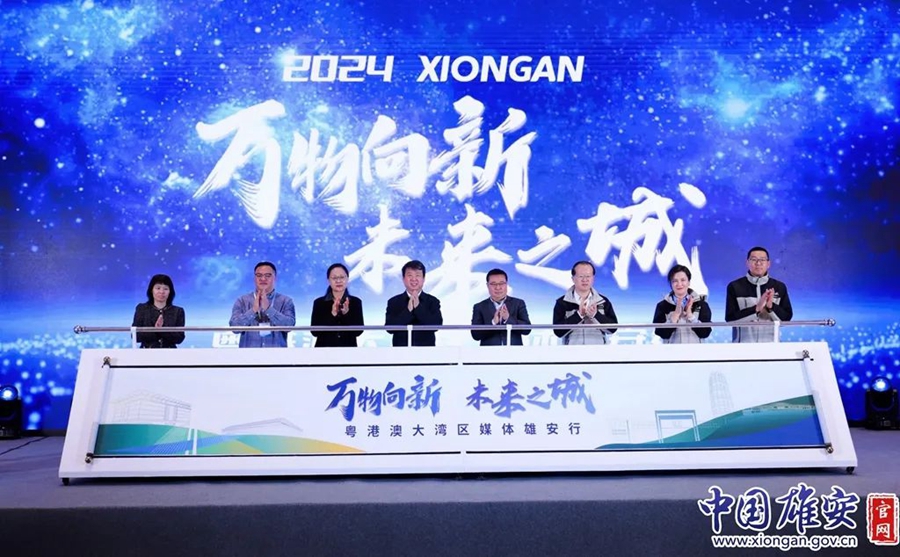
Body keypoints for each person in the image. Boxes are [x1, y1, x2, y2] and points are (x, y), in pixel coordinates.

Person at [725, 246, 793, 343]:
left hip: (772, 346)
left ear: (768, 264)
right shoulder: (735, 286)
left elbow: (786, 320)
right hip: (743, 346)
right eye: (754, 259)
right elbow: (730, 320)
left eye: (762, 260)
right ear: (747, 263)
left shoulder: (779, 287)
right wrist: (756, 309)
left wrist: (771, 307)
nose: (758, 263)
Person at [229, 261, 296, 347]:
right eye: (259, 275)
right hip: (248, 354)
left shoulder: (286, 301)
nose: (263, 279)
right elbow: (234, 328)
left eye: (268, 275)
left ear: (275, 278)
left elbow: (289, 326)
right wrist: (253, 311)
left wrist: (269, 309)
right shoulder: (242, 300)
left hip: (276, 354)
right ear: (254, 278)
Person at [553, 261, 618, 345]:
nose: (585, 280)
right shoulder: (562, 302)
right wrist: (578, 315)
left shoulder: (603, 301)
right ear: (573, 279)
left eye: (588, 276)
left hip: (598, 351)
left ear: (593, 278)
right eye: (581, 276)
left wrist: (595, 315)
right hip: (572, 351)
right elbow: (558, 332)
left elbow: (613, 329)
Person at [385, 260, 443, 347]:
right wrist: (408, 311)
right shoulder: (393, 302)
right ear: (403, 279)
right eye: (410, 275)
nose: (414, 279)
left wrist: (418, 308)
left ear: (423, 279)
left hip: (426, 351)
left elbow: (436, 325)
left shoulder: (433, 301)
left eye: (417, 275)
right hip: (401, 351)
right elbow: (389, 328)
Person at [470, 268, 531, 346]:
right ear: (487, 285)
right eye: (493, 284)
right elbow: (475, 335)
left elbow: (527, 329)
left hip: (514, 351)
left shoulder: (518, 303)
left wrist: (508, 319)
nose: (498, 287)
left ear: (506, 284)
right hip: (489, 352)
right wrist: (493, 323)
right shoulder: (479, 307)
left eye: (501, 283)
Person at [653, 265, 712, 344]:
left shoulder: (701, 304)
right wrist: (674, 317)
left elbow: (705, 333)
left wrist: (690, 316)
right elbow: (661, 333)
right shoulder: (662, 306)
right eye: (675, 281)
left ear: (689, 282)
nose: (679, 284)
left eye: (683, 280)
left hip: (696, 351)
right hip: (672, 351)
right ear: (671, 283)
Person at [309, 263, 364, 347]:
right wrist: (332, 314)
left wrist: (346, 314)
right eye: (334, 278)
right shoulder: (319, 303)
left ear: (347, 279)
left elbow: (358, 331)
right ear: (328, 280)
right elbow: (314, 332)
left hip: (348, 350)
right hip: (324, 350)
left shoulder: (355, 302)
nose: (338, 281)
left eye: (342, 277)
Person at [132, 274, 185, 348]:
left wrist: (162, 330)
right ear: (151, 290)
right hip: (147, 352)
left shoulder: (178, 311)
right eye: (158, 288)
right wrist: (155, 330)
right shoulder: (142, 309)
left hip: (170, 352)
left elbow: (179, 338)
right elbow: (135, 335)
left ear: (170, 292)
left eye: (165, 289)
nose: (161, 292)